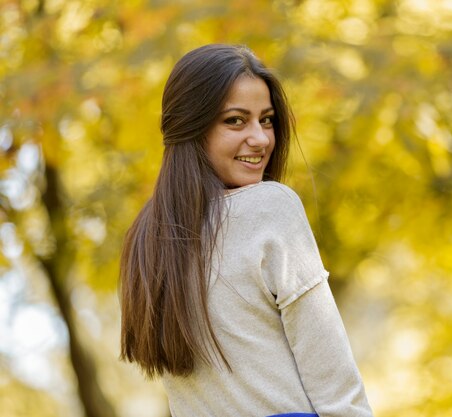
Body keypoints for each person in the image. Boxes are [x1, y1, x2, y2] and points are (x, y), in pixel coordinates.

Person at [118, 44, 374, 416]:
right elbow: (335, 381)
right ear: (192, 126)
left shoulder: (146, 239)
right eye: (235, 120)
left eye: (266, 120)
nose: (261, 139)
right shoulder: (271, 208)